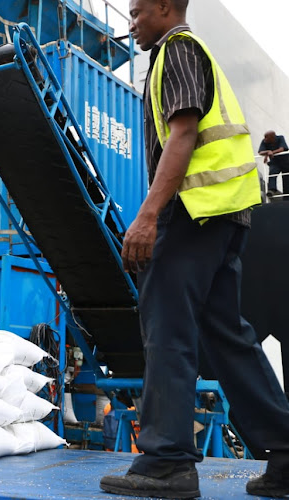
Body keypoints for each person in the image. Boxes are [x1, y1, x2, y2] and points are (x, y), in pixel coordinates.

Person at [100, 0, 289, 498]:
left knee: (167, 327)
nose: (132, 21)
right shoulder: (193, 53)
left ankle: (168, 463)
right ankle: (287, 454)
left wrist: (148, 215)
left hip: (192, 211)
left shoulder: (177, 51)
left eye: (138, 11)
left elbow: (183, 134)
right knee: (228, 335)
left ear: (165, 7)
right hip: (225, 213)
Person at [259, 130, 289, 197]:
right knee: (272, 173)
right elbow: (260, 152)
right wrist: (268, 151)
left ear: (272, 137)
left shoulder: (280, 138)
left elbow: (282, 149)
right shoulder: (264, 141)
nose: (265, 139)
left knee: (286, 178)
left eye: (267, 137)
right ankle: (272, 190)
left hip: (285, 162)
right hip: (275, 162)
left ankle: (287, 196)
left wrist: (271, 152)